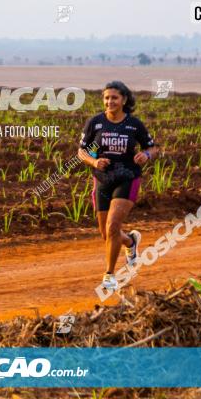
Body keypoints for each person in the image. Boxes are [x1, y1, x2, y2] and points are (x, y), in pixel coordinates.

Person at [77, 81, 160, 292]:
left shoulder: (134, 124)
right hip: (103, 180)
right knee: (106, 234)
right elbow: (82, 152)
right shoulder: (95, 123)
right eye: (106, 97)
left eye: (114, 98)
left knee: (113, 226)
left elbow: (153, 147)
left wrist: (146, 154)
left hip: (128, 177)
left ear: (123, 99)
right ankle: (131, 242)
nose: (109, 101)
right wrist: (94, 162)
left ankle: (109, 275)